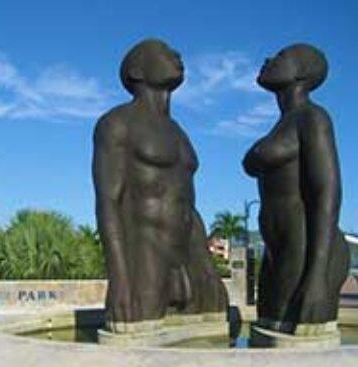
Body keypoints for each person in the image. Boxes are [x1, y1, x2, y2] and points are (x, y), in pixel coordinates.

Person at [93, 39, 227, 331]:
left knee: (206, 342)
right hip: (146, 252)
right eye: (165, 53)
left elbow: (187, 201)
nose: (176, 55)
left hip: (189, 253)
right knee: (137, 343)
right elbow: (108, 202)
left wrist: (207, 263)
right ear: (137, 71)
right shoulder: (117, 123)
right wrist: (120, 279)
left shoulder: (179, 132)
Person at [243, 44, 349, 332]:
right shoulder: (283, 125)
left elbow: (328, 192)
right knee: (268, 328)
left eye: (280, 56)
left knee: (293, 336)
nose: (268, 59)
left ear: (301, 72)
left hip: (307, 249)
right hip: (278, 248)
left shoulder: (313, 119)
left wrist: (317, 275)